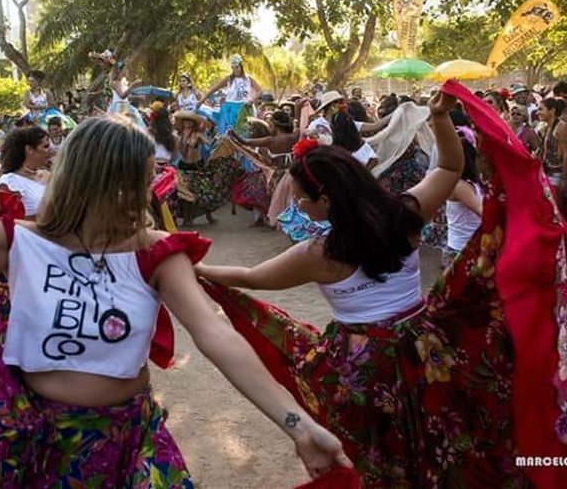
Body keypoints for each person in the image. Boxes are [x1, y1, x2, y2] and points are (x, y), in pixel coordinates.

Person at [0, 112, 351, 487]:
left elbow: (214, 333)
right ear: (105, 179)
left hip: (134, 443)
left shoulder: (157, 252)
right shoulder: (18, 241)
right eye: (143, 177)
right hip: (41, 445)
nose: (153, 188)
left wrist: (298, 425)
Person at [194, 92, 520, 487]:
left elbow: (249, 277)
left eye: (301, 200)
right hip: (428, 348)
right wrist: (438, 117)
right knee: (442, 434)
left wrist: (190, 266)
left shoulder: (318, 253)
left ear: (326, 199)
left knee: (379, 452)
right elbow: (451, 165)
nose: (298, 207)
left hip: (365, 364)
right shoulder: (405, 213)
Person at [0, 126, 52, 222]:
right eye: (46, 146)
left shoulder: (48, 175)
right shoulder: (10, 183)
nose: (51, 151)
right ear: (29, 149)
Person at [197, 55, 262, 135]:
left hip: (244, 108)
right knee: (227, 133)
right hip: (230, 109)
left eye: (237, 67)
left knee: (244, 133)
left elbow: (260, 90)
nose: (235, 70)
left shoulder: (248, 79)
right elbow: (213, 89)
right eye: (233, 68)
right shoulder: (229, 79)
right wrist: (201, 101)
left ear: (241, 66)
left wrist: (252, 100)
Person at [442, 140, 482, 267]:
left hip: (471, 247)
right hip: (461, 250)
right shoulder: (459, 186)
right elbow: (482, 211)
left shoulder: (472, 183)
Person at [536, 98, 567, 199]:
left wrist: (564, 178)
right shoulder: (545, 126)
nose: (538, 112)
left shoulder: (561, 126)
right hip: (545, 171)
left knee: (555, 207)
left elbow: (566, 153)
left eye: (541, 109)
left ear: (552, 111)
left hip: (556, 173)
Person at [107, 61, 145, 127]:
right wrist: (132, 85)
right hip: (118, 106)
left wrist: (138, 97)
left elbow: (127, 96)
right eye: (125, 69)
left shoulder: (123, 82)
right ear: (120, 71)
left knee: (137, 119)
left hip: (125, 105)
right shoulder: (115, 83)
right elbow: (122, 96)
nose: (127, 71)